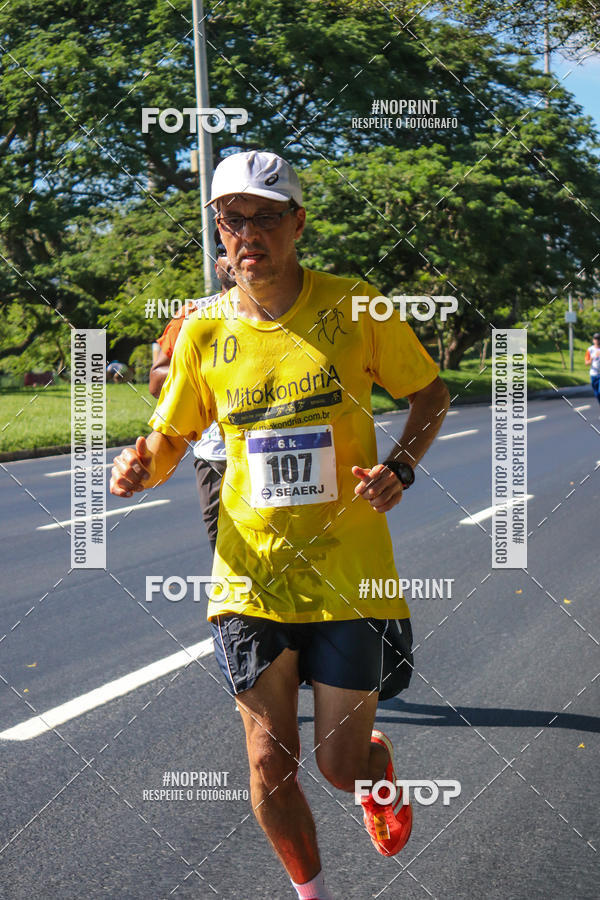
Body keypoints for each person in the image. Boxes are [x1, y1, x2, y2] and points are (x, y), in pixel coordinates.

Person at [110, 150, 450, 900]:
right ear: (217, 230)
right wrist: (140, 468)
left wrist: (399, 468)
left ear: (298, 222)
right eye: (232, 218)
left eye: (267, 215)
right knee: (269, 763)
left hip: (348, 572)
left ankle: (371, 766)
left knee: (335, 765)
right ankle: (314, 895)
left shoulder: (355, 306)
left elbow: (430, 394)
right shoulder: (202, 332)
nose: (248, 232)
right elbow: (170, 438)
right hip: (248, 574)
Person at [149, 233, 236, 552]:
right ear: (218, 266)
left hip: (267, 449)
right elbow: (156, 379)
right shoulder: (192, 314)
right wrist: (202, 367)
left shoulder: (279, 310)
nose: (234, 258)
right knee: (224, 547)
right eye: (224, 252)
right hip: (215, 454)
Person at [584, 332, 600, 406]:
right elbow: (586, 363)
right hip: (593, 374)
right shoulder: (590, 350)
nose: (597, 340)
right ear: (593, 340)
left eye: (598, 339)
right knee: (597, 394)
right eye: (595, 339)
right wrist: (592, 358)